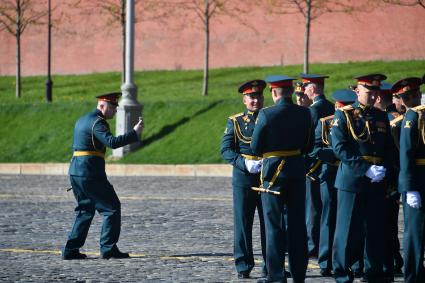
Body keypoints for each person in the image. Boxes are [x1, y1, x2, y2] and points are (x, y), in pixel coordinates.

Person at [62, 92, 144, 260]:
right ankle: (108, 248)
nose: (115, 111)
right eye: (113, 107)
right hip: (90, 172)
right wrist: (134, 133)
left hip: (76, 171)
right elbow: (112, 142)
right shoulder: (98, 122)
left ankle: (70, 250)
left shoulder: (82, 119)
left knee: (85, 211)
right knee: (112, 208)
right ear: (102, 106)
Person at [331, 74, 395, 283]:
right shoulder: (344, 115)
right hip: (353, 180)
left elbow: (388, 148)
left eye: (376, 92)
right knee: (347, 230)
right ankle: (342, 272)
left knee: (375, 228)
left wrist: (384, 169)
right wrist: (365, 169)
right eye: (369, 92)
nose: (374, 96)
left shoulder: (381, 116)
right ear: (357, 92)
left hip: (377, 180)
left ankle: (373, 272)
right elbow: (340, 148)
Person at [251, 75, 314, 283]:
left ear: (274, 92)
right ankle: (299, 275)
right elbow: (308, 145)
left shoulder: (266, 114)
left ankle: (276, 276)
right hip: (296, 170)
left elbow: (255, 147)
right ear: (289, 92)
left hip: (273, 173)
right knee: (297, 225)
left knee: (274, 226)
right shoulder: (305, 113)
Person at [220, 79, 267, 279]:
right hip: (244, 178)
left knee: (271, 223)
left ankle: (272, 264)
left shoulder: (270, 118)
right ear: (244, 99)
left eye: (258, 96)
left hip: (267, 176)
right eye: (251, 97)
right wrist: (243, 163)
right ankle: (243, 265)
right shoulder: (235, 121)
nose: (255, 100)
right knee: (243, 223)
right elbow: (226, 150)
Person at [310, 89, 356, 277]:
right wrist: (334, 155)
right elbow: (314, 149)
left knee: (351, 219)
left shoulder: (358, 122)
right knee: (328, 217)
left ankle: (351, 260)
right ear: (336, 105)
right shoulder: (325, 123)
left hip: (351, 174)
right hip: (330, 173)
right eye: (342, 106)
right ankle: (325, 260)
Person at [301, 73, 335, 258]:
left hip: (315, 165)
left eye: (306, 87)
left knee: (313, 209)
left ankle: (313, 245)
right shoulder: (331, 105)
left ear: (313, 89)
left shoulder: (313, 110)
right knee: (326, 209)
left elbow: (309, 140)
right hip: (330, 163)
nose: (304, 91)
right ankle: (324, 244)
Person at [395, 77, 425, 283]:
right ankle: (413, 276)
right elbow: (406, 155)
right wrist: (409, 188)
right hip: (418, 179)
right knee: (415, 233)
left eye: (409, 96)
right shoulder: (412, 117)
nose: (408, 100)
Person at [375, 82, 404, 280]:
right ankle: (393, 261)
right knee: (389, 225)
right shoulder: (398, 118)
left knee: (384, 226)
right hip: (392, 181)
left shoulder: (389, 122)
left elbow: (394, 156)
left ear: (377, 98)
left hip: (387, 181)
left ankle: (391, 262)